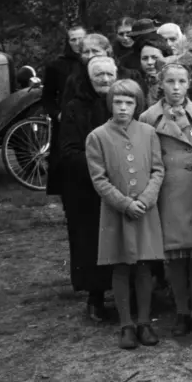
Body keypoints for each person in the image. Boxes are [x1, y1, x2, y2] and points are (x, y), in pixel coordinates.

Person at [86, 79, 166, 350]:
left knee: (144, 266)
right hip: (116, 214)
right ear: (110, 104)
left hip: (145, 211)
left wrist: (145, 199)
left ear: (137, 104)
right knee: (121, 267)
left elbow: (158, 170)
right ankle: (126, 325)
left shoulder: (148, 132)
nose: (123, 107)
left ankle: (144, 321)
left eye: (129, 102)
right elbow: (99, 179)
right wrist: (124, 203)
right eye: (118, 102)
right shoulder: (97, 136)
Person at [139, 62, 192, 339]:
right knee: (174, 260)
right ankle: (182, 312)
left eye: (181, 82)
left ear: (189, 84)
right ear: (161, 84)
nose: (176, 88)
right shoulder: (148, 117)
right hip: (167, 196)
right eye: (170, 82)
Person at [59, 56, 118, 322]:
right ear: (89, 78)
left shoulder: (121, 101)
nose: (105, 80)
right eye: (99, 75)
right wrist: (101, 169)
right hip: (85, 186)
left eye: (109, 74)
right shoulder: (74, 107)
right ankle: (95, 298)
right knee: (89, 242)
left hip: (120, 183)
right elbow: (69, 150)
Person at [44, 24, 88, 197]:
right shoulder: (56, 65)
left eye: (80, 38)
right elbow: (47, 97)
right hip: (66, 121)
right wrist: (57, 114)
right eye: (73, 39)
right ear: (68, 42)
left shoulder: (94, 60)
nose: (77, 42)